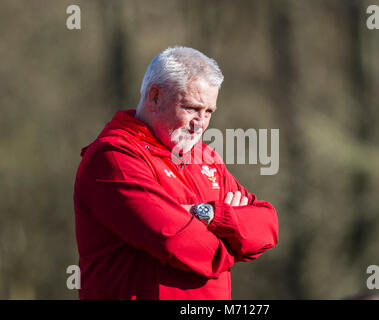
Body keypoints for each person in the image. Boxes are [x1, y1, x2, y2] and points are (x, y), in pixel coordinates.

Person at [73, 46, 279, 300]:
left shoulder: (206, 158)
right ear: (155, 97)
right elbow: (180, 244)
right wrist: (234, 241)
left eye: (209, 112)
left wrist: (212, 215)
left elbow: (268, 226)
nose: (200, 124)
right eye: (192, 108)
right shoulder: (112, 158)